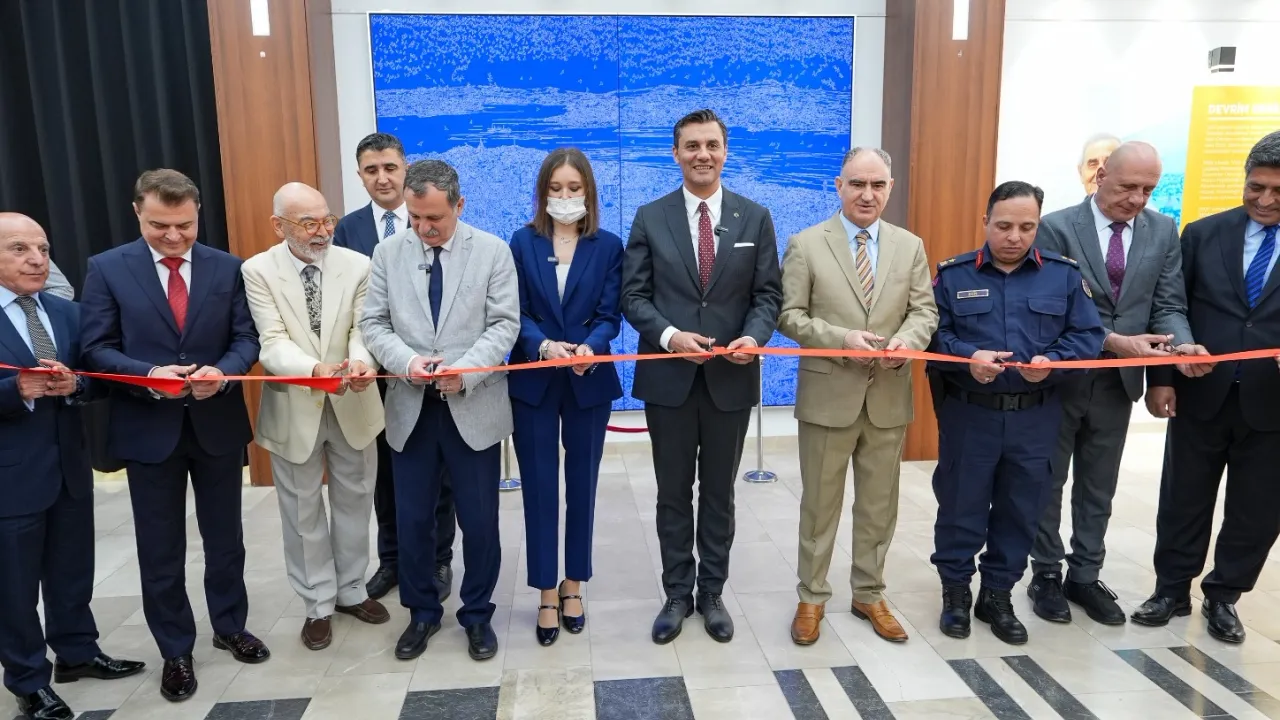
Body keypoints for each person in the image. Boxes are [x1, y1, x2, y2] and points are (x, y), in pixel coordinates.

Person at [79, 170, 269, 702]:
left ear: (198, 213)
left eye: (184, 225)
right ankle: (175, 650)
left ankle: (230, 626)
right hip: (147, 427)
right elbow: (96, 348)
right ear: (137, 212)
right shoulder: (108, 269)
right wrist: (148, 374)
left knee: (225, 538)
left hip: (215, 423)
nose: (173, 236)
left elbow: (246, 338)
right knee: (160, 547)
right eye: (160, 225)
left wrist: (222, 371)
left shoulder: (227, 267)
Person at [1028, 142, 1209, 626]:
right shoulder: (1057, 227)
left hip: (1118, 385)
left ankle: (1085, 575)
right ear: (1102, 174)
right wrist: (1111, 341)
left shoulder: (1162, 231)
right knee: (1047, 480)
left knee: (1099, 486)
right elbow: (1048, 308)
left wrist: (1181, 348)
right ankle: (1045, 574)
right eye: (1128, 186)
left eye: (1148, 189)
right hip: (1061, 378)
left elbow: (1168, 305)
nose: (1136, 199)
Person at [621, 108, 783, 645]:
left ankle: (712, 592)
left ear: (725, 151)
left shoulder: (754, 217)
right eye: (692, 146)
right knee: (672, 493)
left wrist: (753, 339)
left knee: (718, 494)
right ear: (676, 153)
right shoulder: (650, 217)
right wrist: (670, 337)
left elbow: (768, 295)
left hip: (730, 380)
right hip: (668, 380)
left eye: (712, 145)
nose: (702, 154)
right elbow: (633, 297)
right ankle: (676, 593)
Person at [928, 181, 1105, 645]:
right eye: (1004, 225)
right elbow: (934, 334)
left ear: (1038, 225)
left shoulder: (1063, 276)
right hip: (972, 414)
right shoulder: (954, 275)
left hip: (1035, 416)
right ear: (985, 222)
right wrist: (967, 357)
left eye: (1027, 227)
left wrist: (1054, 363)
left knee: (1021, 509)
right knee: (961, 505)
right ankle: (956, 594)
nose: (1014, 237)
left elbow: (1087, 336)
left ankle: (998, 595)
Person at [360, 159, 519, 662]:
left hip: (473, 407)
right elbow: (374, 324)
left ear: (459, 205)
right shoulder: (387, 253)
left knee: (480, 521)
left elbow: (504, 324)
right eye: (415, 217)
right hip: (412, 409)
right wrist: (408, 363)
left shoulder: (492, 251)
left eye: (435, 218)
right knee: (412, 521)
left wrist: (464, 371)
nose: (424, 228)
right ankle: (422, 613)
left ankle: (477, 614)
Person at [777, 147, 938, 646]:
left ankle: (869, 593)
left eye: (877, 185)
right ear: (839, 186)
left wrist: (906, 343)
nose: (868, 194)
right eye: (858, 184)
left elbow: (924, 312)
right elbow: (789, 316)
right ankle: (811, 596)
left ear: (890, 188)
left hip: (888, 396)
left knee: (878, 505)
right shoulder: (807, 244)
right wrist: (840, 338)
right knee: (820, 506)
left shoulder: (909, 246)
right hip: (829, 397)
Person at [1132, 131, 1280, 644]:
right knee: (1183, 498)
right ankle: (1171, 590)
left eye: (1278, 192)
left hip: (1272, 404)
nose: (1264, 200)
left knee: (1257, 508)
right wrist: (1162, 378)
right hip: (1200, 392)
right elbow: (1170, 306)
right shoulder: (1203, 234)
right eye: (1256, 186)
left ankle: (1224, 595)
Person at [0, 213, 144, 720]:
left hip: (69, 466)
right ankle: (28, 682)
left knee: (71, 570)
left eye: (43, 249)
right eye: (19, 249)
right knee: (14, 588)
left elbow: (99, 374)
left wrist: (77, 385)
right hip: (10, 477)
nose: (37, 260)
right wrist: (14, 391)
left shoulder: (67, 313)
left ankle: (78, 653)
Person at [241, 183, 390, 651]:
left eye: (327, 220)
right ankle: (317, 603)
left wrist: (361, 363)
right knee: (302, 510)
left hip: (353, 400)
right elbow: (271, 341)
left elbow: (364, 327)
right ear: (279, 226)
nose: (322, 231)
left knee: (355, 501)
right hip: (295, 404)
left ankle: (351, 590)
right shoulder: (258, 270)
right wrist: (314, 370)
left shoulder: (359, 264)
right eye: (309, 223)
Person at [333, 132, 457, 603]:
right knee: (386, 476)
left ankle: (439, 558)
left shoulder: (435, 218)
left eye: (390, 167)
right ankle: (392, 559)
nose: (382, 178)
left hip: (433, 375)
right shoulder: (348, 230)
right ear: (360, 175)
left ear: (406, 169)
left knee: (440, 475)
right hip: (377, 376)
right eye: (371, 170)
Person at [508, 148, 624, 646]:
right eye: (555, 188)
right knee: (539, 489)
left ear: (589, 192)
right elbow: (514, 310)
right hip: (534, 381)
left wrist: (590, 347)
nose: (565, 196)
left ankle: (573, 585)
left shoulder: (608, 245)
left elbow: (610, 315)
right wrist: (543, 345)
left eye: (574, 188)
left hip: (587, 379)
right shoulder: (522, 242)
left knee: (582, 487)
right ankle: (545, 593)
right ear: (542, 193)